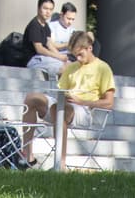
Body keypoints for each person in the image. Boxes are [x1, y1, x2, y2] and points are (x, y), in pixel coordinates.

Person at [22, 31, 115, 170]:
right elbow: (62, 91)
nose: (77, 58)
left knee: (60, 109)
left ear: (89, 48)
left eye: (80, 54)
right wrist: (65, 95)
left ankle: (60, 164)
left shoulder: (103, 68)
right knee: (32, 98)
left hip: (85, 110)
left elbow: (109, 103)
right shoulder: (72, 67)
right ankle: (27, 156)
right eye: (75, 55)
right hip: (64, 104)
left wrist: (82, 101)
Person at [23, 0, 71, 78]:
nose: (48, 12)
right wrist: (58, 56)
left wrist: (61, 57)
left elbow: (49, 44)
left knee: (72, 65)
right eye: (45, 8)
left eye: (51, 9)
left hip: (44, 58)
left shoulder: (46, 25)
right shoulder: (34, 25)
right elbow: (39, 49)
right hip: (34, 60)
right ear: (38, 8)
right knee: (67, 68)